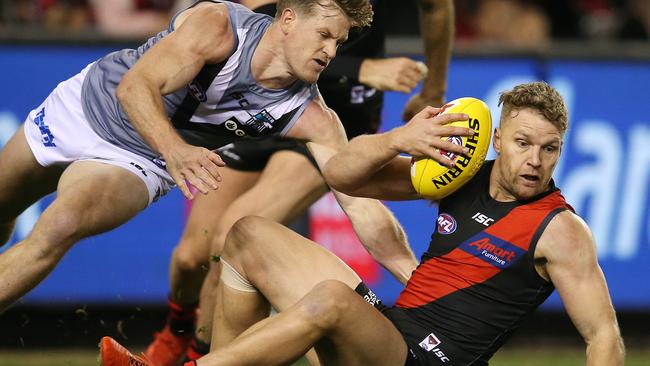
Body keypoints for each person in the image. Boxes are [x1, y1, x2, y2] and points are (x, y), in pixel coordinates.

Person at [101, 82, 625, 366]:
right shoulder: (462, 172)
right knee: (247, 234)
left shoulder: (561, 229)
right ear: (497, 141)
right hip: (394, 334)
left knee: (330, 299)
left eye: (549, 148)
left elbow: (604, 337)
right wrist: (399, 140)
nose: (535, 160)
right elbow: (345, 174)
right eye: (523, 143)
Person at [4, 0, 472, 315]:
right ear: (287, 19)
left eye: (339, 42)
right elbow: (135, 87)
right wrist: (178, 150)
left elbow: (360, 201)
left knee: (57, 229)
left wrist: (416, 280)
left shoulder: (311, 115)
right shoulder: (218, 26)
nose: (331, 51)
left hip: (139, 160)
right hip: (84, 107)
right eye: (325, 35)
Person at [142, 0, 454, 364]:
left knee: (232, 233)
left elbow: (436, 7)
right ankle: (177, 329)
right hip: (258, 106)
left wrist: (434, 88)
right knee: (190, 256)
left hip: (327, 119)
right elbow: (253, 20)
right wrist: (359, 68)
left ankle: (194, 356)